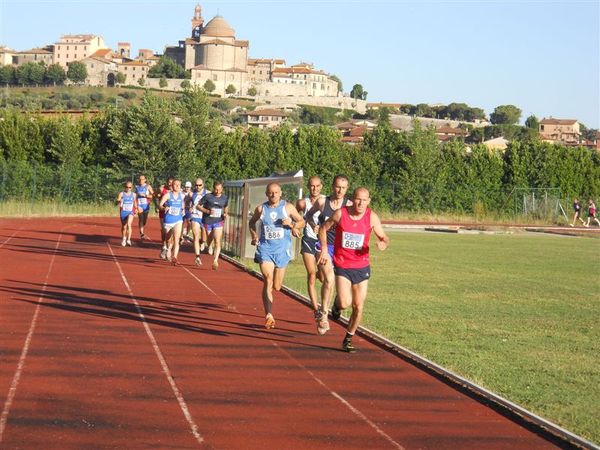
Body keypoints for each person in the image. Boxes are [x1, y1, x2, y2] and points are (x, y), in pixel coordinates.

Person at [318, 187, 389, 352]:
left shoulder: (371, 217)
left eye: (364, 200)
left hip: (361, 266)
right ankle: (336, 306)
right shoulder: (340, 214)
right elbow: (323, 229)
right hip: (343, 264)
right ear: (352, 199)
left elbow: (383, 236)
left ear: (369, 201)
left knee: (359, 306)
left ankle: (348, 338)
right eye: (358, 199)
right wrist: (323, 249)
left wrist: (383, 243)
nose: (361, 203)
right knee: (344, 302)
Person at [249, 182, 305, 329]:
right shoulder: (261, 209)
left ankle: (270, 307)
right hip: (265, 249)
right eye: (270, 193)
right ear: (266, 194)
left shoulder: (288, 208)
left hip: (282, 251)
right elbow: (251, 222)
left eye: (276, 192)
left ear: (280, 193)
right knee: (268, 279)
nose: (273, 195)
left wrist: (292, 225)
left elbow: (302, 221)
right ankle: (269, 314)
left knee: (277, 286)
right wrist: (254, 235)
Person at [305, 174, 350, 335]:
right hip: (323, 247)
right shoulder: (323, 202)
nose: (340, 191)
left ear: (347, 189)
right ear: (332, 186)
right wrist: (314, 225)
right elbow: (309, 215)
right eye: (338, 187)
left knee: (341, 289)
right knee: (329, 280)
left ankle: (336, 306)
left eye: (344, 188)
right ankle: (323, 314)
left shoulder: (349, 204)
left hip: (342, 249)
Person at [296, 176, 326, 321]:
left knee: (323, 276)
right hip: (308, 240)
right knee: (312, 274)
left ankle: (322, 305)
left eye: (317, 186)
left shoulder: (326, 201)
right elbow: (296, 217)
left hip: (323, 243)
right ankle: (316, 309)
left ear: (322, 186)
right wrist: (295, 227)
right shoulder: (303, 203)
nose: (315, 188)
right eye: (312, 186)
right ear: (308, 187)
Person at [198, 180, 229, 270]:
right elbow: (198, 206)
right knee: (209, 239)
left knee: (217, 240)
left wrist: (226, 213)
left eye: (219, 190)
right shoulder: (208, 197)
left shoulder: (224, 198)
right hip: (208, 221)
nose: (217, 191)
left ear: (222, 189)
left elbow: (226, 206)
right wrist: (207, 211)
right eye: (216, 189)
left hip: (218, 221)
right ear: (213, 188)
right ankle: (209, 245)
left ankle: (215, 261)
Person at [159, 179, 185, 265]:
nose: (177, 186)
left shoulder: (182, 196)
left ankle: (175, 257)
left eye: (179, 185)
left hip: (178, 220)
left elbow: (183, 205)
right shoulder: (167, 195)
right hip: (168, 220)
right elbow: (160, 205)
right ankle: (168, 248)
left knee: (176, 240)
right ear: (172, 186)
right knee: (168, 239)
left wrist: (183, 209)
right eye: (175, 185)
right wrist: (163, 208)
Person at [190, 178, 209, 266]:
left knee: (204, 237)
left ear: (203, 185)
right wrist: (188, 207)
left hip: (204, 217)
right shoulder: (191, 194)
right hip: (195, 216)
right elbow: (186, 202)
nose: (198, 187)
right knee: (196, 235)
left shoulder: (208, 193)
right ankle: (197, 256)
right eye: (196, 185)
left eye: (199, 185)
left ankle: (203, 242)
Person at [116, 181, 138, 247]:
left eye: (130, 187)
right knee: (124, 227)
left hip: (130, 212)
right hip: (123, 212)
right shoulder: (121, 194)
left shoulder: (134, 194)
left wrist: (136, 209)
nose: (128, 188)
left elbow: (135, 203)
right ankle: (124, 238)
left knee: (129, 224)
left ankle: (128, 240)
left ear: (132, 188)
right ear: (124, 187)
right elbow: (117, 202)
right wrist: (118, 201)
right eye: (127, 187)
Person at [157, 177, 174, 259]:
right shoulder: (162, 189)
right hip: (163, 213)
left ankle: (169, 248)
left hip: (172, 214)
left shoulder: (176, 191)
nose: (170, 184)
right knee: (164, 231)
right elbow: (155, 195)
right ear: (167, 182)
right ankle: (164, 247)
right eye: (169, 182)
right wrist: (158, 204)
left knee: (172, 233)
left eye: (172, 182)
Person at [135, 174, 154, 240]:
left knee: (144, 221)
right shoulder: (137, 187)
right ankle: (142, 233)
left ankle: (142, 227)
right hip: (139, 205)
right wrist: (135, 205)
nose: (141, 180)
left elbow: (153, 195)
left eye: (142, 179)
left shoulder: (148, 187)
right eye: (140, 179)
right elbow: (135, 196)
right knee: (141, 219)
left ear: (145, 180)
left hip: (146, 206)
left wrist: (145, 195)